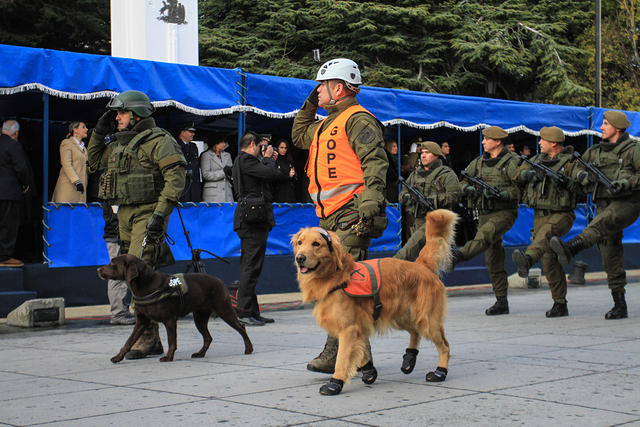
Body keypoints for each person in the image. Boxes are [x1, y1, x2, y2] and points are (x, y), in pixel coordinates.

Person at [291, 57, 388, 381]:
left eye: (321, 86)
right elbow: (299, 135)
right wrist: (309, 101)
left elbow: (375, 161)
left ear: (338, 87)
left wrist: (372, 201)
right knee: (341, 286)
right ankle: (360, 358)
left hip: (352, 212)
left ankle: (341, 354)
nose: (317, 91)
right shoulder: (325, 123)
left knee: (340, 285)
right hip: (330, 217)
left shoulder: (358, 119)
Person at [87, 90, 186, 358]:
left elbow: (175, 179)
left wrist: (159, 214)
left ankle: (148, 336)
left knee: (137, 271)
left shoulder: (159, 141)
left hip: (148, 212)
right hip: (125, 215)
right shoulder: (119, 143)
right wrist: (98, 131)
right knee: (136, 275)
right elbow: (93, 161)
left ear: (137, 114)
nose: (116, 117)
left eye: (121, 112)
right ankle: (151, 334)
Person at [551, 111, 640, 319]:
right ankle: (620, 304)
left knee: (601, 223)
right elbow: (573, 168)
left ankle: (573, 247)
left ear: (617, 128)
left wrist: (626, 183)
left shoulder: (633, 150)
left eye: (606, 124)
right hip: (602, 202)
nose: (602, 127)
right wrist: (581, 175)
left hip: (627, 202)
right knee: (610, 254)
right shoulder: (595, 151)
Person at [448, 126, 520, 315]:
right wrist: (467, 189)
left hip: (504, 212)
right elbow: (463, 181)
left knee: (485, 235)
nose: (483, 142)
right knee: (493, 257)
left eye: (486, 139)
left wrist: (503, 193)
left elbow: (520, 189)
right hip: (485, 212)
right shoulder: (478, 163)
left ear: (497, 141)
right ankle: (501, 300)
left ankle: (459, 256)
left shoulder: (512, 162)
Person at [512, 127, 579, 317]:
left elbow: (583, 187)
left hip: (562, 213)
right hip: (540, 213)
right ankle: (560, 302)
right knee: (549, 260)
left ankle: (528, 258)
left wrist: (566, 182)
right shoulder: (536, 161)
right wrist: (530, 175)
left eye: (543, 140)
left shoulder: (571, 163)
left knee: (546, 233)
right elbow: (517, 175)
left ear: (554, 143)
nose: (539, 143)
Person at [232, 131, 287, 326]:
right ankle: (245, 312)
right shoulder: (246, 160)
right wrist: (268, 160)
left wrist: (266, 160)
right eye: (261, 146)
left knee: (252, 266)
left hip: (251, 221)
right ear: (254, 144)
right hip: (252, 222)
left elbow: (268, 174)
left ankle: (252, 310)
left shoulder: (244, 161)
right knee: (250, 267)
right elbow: (270, 173)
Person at [394, 141, 461, 261]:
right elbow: (402, 195)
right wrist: (411, 198)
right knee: (420, 258)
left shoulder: (446, 174)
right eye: (422, 153)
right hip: (416, 220)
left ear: (436, 155)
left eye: (427, 153)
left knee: (420, 254)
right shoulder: (415, 175)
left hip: (435, 220)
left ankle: (392, 266)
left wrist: (433, 200)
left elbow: (455, 196)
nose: (423, 156)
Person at [0, 120, 30, 268]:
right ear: (16, 133)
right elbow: (21, 168)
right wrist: (25, 184)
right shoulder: (13, 144)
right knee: (8, 225)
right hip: (8, 192)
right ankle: (4, 257)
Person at [102, 204, 135, 325]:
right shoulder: (113, 192)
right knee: (117, 275)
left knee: (119, 274)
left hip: (117, 234)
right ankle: (119, 313)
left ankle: (120, 312)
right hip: (117, 236)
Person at [51, 122, 88, 203]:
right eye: (83, 127)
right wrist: (77, 181)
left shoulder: (84, 148)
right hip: (68, 188)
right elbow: (66, 164)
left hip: (80, 190)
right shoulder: (67, 143)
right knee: (65, 213)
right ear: (75, 130)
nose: (86, 129)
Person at [177, 123, 201, 203]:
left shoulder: (193, 146)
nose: (193, 134)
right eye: (190, 131)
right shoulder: (175, 145)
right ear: (182, 132)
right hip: (182, 185)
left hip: (194, 186)